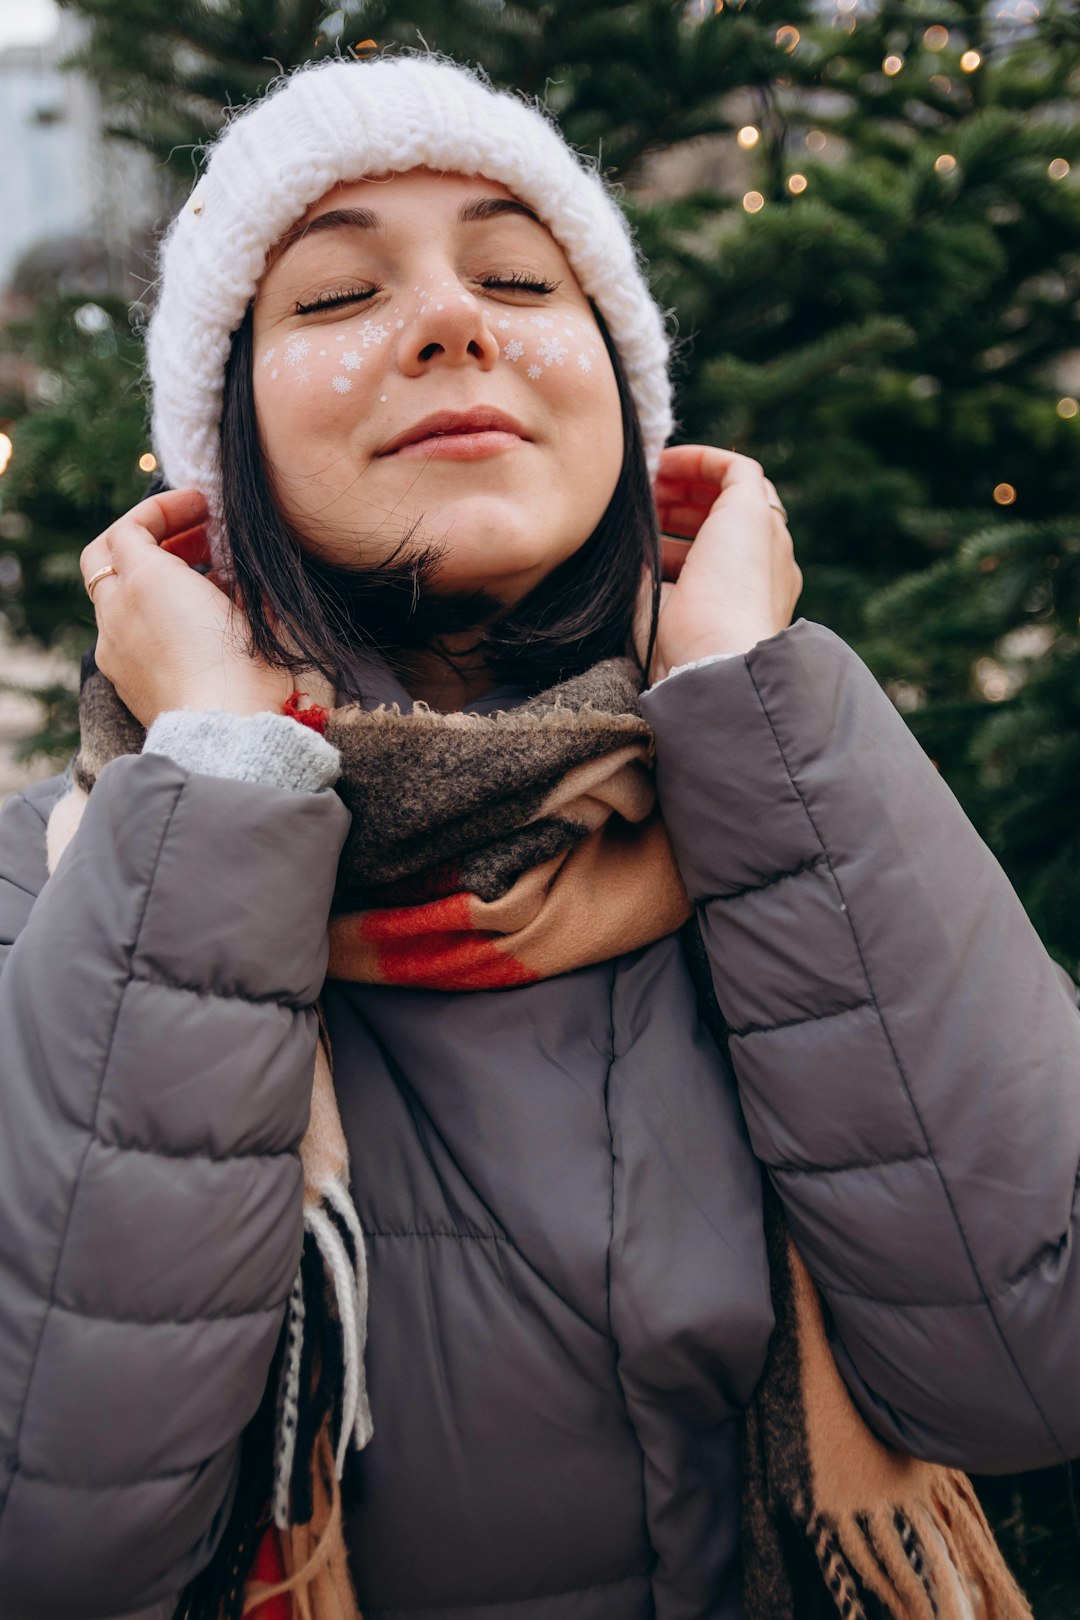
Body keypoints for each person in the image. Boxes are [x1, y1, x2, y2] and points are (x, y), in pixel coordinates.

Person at [0, 51, 1077, 1620]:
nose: (453, 318)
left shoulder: (799, 807)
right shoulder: (59, 890)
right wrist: (223, 779)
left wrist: (745, 703)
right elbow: (57, 1539)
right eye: (332, 295)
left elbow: (1031, 1370)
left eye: (517, 273)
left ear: (620, 403)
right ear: (227, 453)